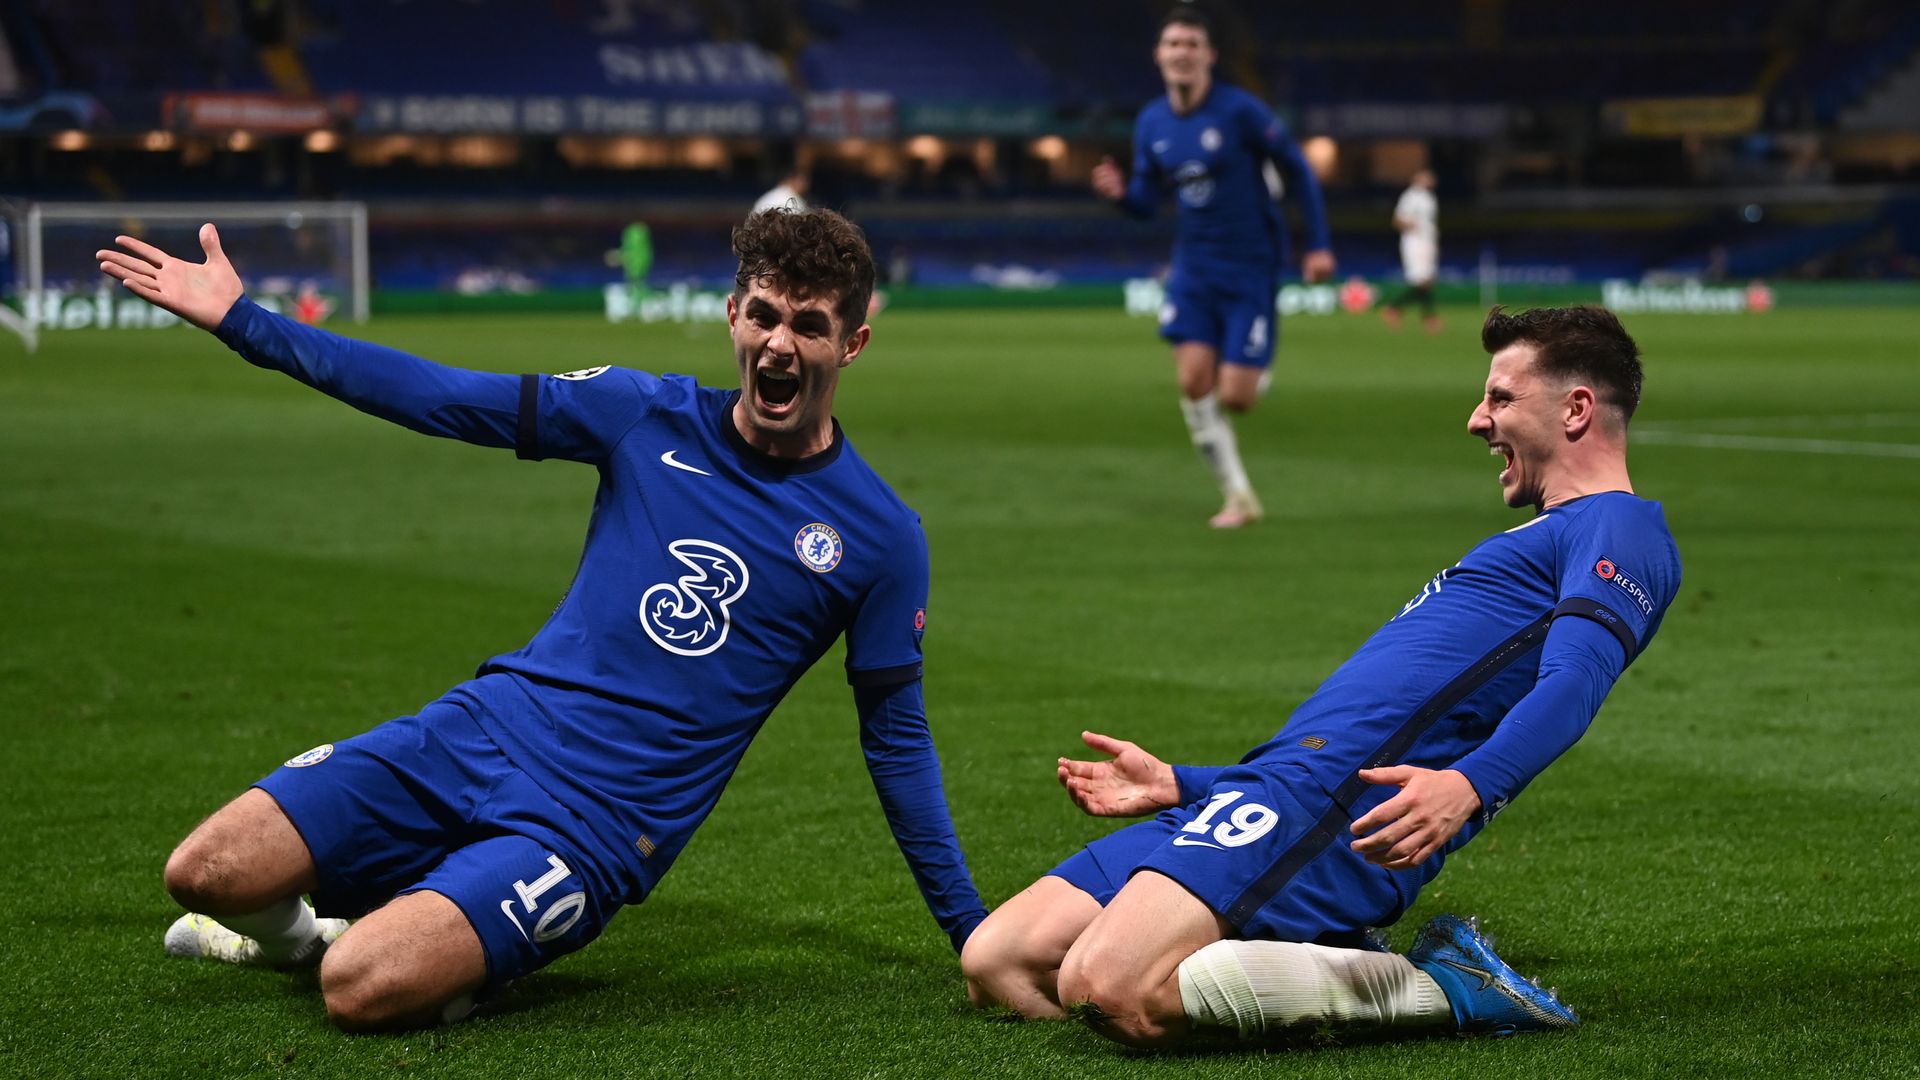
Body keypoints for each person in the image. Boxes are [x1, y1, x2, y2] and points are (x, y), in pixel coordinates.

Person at [95, 208, 987, 1031]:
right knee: (204, 871)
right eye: (763, 316)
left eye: (810, 326)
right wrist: (246, 324)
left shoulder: (878, 538)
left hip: (595, 825)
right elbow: (437, 394)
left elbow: (896, 742)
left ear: (854, 342)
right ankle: (298, 936)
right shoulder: (641, 413)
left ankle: (425, 943)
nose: (779, 345)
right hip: (482, 729)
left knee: (360, 988)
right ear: (732, 316)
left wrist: (970, 933)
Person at [961, 305, 1681, 1048]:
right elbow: (1369, 721)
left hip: (1327, 812)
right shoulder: (1534, 536)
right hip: (1271, 790)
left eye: (1501, 397)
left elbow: (1572, 686)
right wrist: (1187, 782)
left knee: (1108, 985)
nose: (1477, 419)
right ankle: (1302, 958)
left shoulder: (1620, 529)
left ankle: (1444, 988)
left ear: (1576, 408)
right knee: (999, 961)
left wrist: (1469, 788)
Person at [1092, 7, 1335, 529]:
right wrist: (1119, 195)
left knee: (1237, 398)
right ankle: (1238, 496)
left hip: (1250, 265)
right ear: (1159, 55)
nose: (1182, 52)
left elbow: (1297, 170)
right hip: (1194, 267)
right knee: (1193, 381)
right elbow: (1145, 200)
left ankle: (1252, 359)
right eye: (1173, 43)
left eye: (1192, 44)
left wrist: (1316, 244)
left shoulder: (1240, 111)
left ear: (1208, 56)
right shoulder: (1152, 121)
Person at [1381, 169, 1440, 332]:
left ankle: (1397, 309)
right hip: (1414, 242)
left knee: (1426, 281)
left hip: (1427, 242)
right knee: (1420, 280)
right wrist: (1412, 226)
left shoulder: (1430, 198)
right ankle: (1422, 315)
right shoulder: (1410, 196)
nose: (1431, 179)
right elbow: (1397, 220)